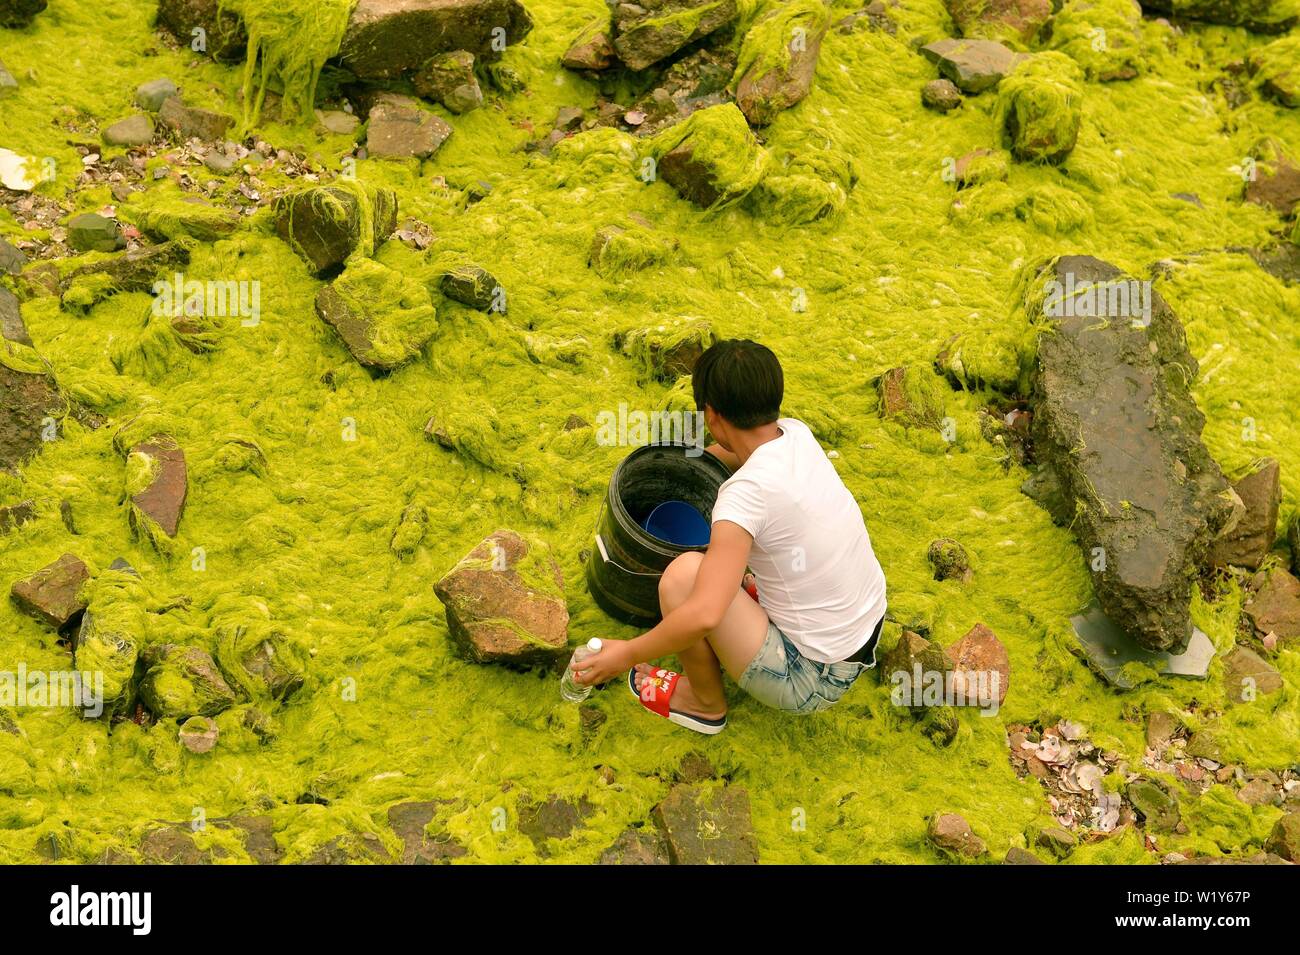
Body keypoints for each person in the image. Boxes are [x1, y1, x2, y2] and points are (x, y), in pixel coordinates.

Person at [572, 339, 887, 734]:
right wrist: (685, 460)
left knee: (683, 577)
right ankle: (753, 616)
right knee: (733, 570)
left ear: (711, 413)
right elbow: (735, 454)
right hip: (864, 625)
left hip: (811, 678)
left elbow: (704, 613)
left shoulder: (743, 497)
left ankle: (704, 704)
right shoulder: (794, 435)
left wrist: (626, 654)